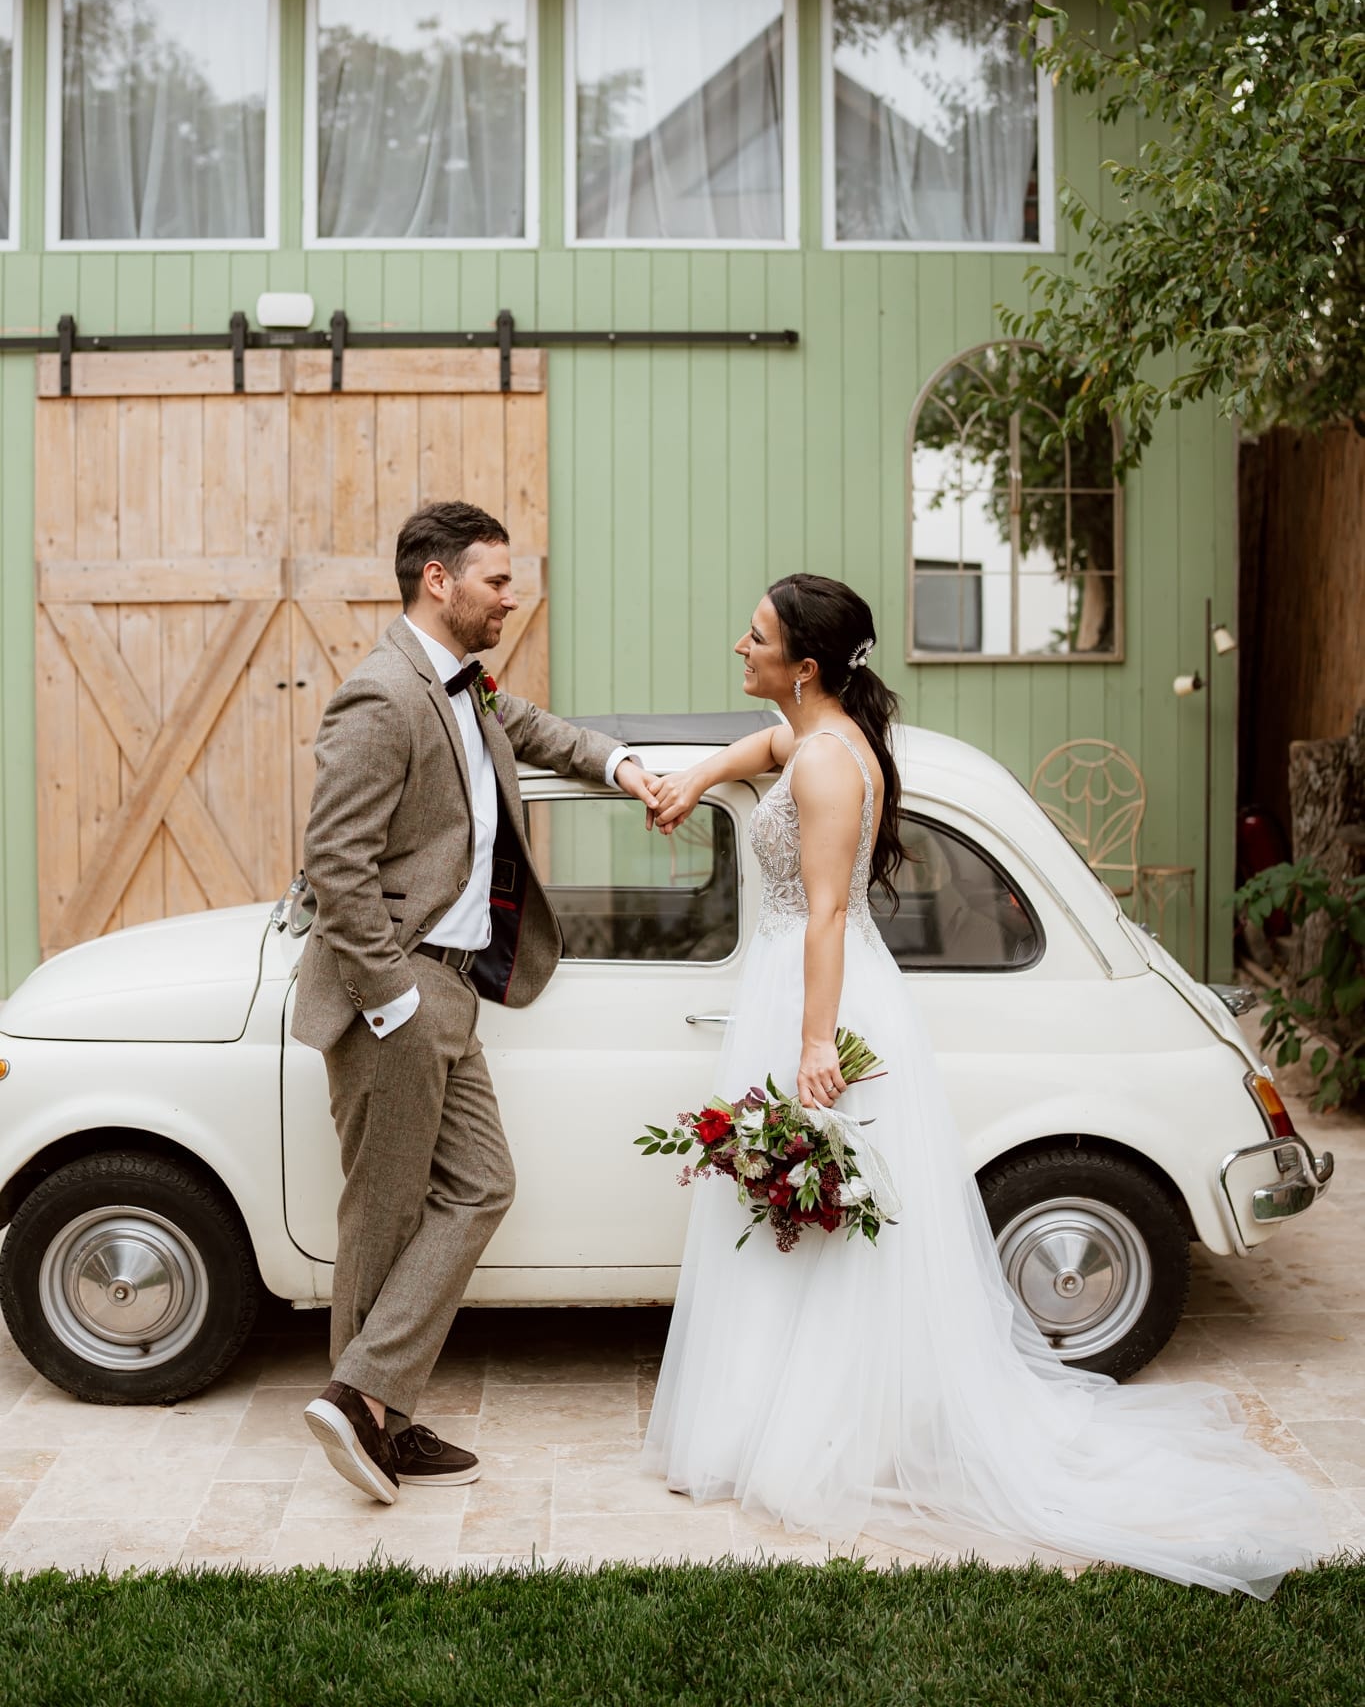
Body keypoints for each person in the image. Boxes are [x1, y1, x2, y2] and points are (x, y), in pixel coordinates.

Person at [640, 571, 1327, 1598]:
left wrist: (816, 1042)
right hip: (802, 982)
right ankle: (777, 1419)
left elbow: (826, 912)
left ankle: (823, 1438)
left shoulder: (832, 763)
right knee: (788, 1220)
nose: (741, 646)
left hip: (817, 992)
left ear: (808, 666)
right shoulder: (813, 736)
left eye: (757, 637)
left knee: (823, 1216)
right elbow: (766, 749)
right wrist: (697, 779)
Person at [292, 500, 658, 1505]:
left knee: (478, 1184)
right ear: (438, 581)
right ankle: (373, 1413)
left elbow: (533, 729)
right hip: (402, 989)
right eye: (496, 579)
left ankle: (369, 1398)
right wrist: (392, 998)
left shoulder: (465, 685)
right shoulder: (381, 696)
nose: (512, 594)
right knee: (384, 1207)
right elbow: (337, 862)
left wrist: (624, 766)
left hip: (454, 989)